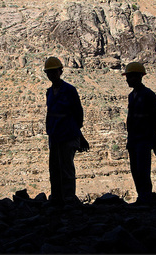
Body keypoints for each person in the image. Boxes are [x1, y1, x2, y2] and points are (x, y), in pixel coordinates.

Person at [44, 56, 87, 206]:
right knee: (54, 169)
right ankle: (57, 198)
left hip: (68, 135)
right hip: (54, 135)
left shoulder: (69, 90)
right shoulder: (49, 92)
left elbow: (78, 113)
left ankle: (68, 198)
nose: (51, 75)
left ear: (60, 71)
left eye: (53, 72)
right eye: (48, 72)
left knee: (66, 168)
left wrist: (77, 132)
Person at [123, 62, 156, 205]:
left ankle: (145, 197)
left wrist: (150, 134)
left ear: (138, 77)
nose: (127, 79)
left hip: (143, 139)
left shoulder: (148, 95)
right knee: (135, 169)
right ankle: (142, 196)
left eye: (129, 76)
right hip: (134, 139)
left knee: (142, 169)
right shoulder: (132, 95)